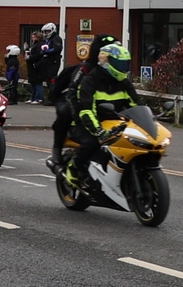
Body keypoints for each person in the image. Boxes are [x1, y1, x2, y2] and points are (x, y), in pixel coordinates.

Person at [51, 39, 139, 187]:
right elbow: (86, 110)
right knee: (91, 143)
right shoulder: (89, 80)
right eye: (120, 64)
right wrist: (98, 131)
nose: (123, 68)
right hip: (87, 123)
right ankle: (74, 168)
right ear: (106, 61)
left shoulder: (124, 82)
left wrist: (149, 121)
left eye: (125, 64)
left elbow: (136, 105)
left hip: (114, 122)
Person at [45, 34, 109, 162]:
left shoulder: (111, 71)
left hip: (95, 101)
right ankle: (57, 148)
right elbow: (72, 90)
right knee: (65, 111)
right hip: (71, 99)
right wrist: (77, 116)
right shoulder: (85, 68)